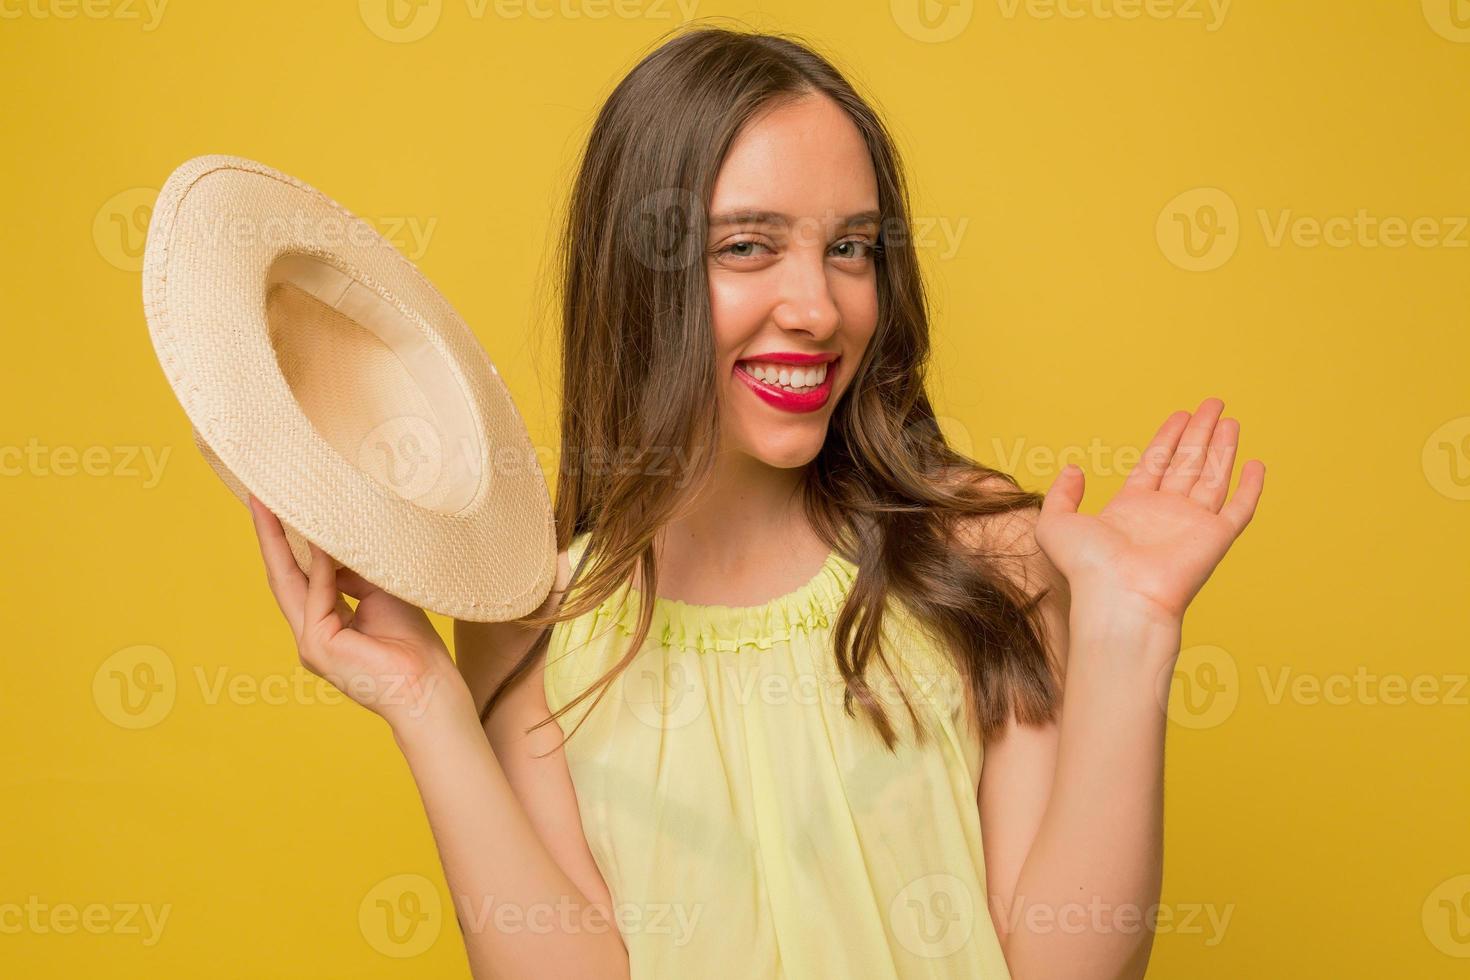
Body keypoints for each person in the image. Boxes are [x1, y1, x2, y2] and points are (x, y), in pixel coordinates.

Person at [247, 24, 1263, 980]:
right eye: (747, 246)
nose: (819, 307)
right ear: (638, 278)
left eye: (851, 247)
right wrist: (426, 705)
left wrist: (1131, 632)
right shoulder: (528, 618)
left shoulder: (984, 553)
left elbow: (1064, 966)